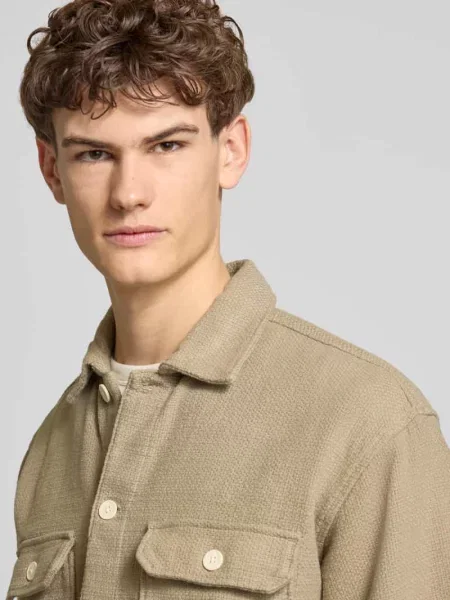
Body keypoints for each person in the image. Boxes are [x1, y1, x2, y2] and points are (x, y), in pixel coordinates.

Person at [7, 0, 450, 598]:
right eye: (94, 153)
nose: (128, 193)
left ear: (231, 150)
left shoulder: (369, 423)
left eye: (167, 146)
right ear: (52, 170)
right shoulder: (51, 446)